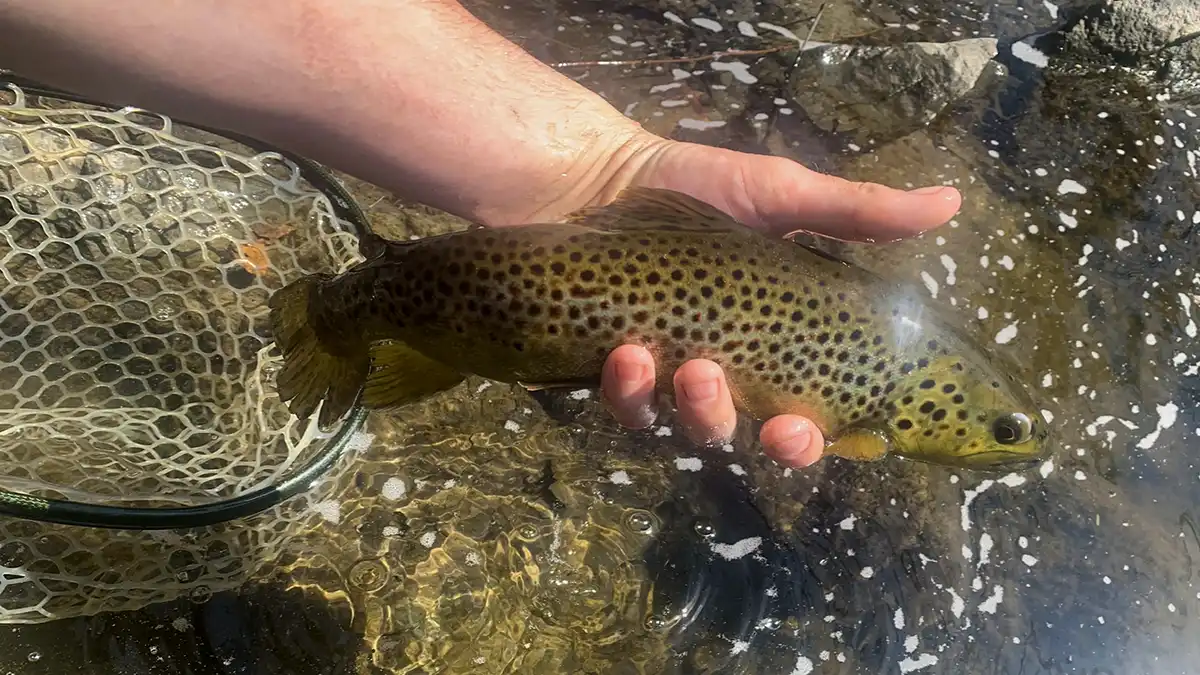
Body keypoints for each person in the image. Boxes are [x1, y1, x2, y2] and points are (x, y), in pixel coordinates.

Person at [0, 0, 961, 468]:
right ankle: (343, 320)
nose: (999, 445)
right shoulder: (872, 413)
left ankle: (352, 315)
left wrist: (607, 165)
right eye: (999, 432)